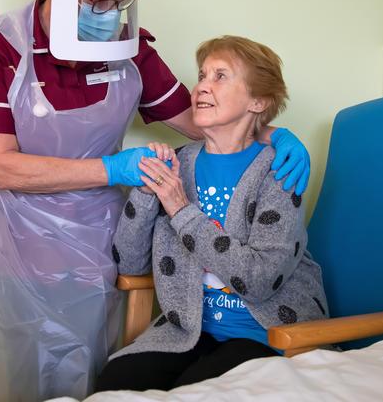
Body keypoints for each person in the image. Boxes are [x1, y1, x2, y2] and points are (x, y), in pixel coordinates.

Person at [0, 0, 310, 400]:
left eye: (116, 3)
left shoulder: (128, 48)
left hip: (96, 240)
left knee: (92, 368)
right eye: (93, 0)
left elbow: (200, 116)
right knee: (27, 374)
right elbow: (1, 166)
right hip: (16, 240)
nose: (107, 14)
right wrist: (113, 169)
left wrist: (274, 132)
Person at [96, 36, 328, 392]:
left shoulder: (279, 171)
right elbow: (128, 264)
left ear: (258, 101)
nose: (202, 86)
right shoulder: (179, 163)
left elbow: (260, 279)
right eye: (202, 75)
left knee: (195, 392)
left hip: (268, 333)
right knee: (116, 380)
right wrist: (145, 192)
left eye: (221, 76)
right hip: (189, 329)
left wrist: (179, 208)